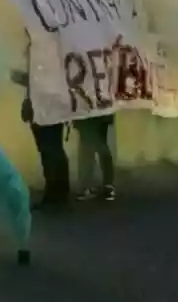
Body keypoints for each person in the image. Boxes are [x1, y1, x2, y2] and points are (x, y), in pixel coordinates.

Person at [11, 35, 69, 210]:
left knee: (50, 150)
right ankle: (58, 193)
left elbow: (40, 81)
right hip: (48, 106)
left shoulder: (43, 51)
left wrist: (20, 78)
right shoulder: (52, 48)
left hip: (45, 106)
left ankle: (55, 196)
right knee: (52, 149)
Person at [74, 114, 116, 201]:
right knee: (100, 144)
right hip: (102, 110)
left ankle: (87, 185)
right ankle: (107, 184)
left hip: (87, 112)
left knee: (86, 146)